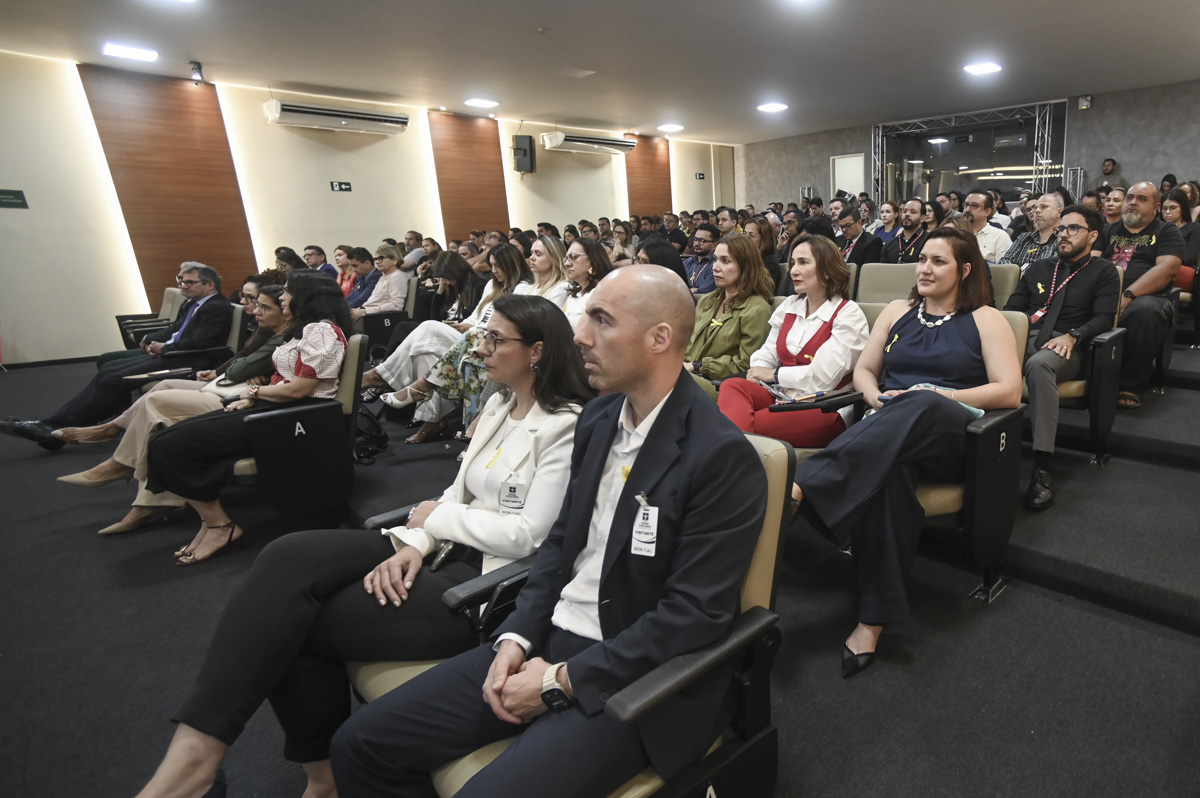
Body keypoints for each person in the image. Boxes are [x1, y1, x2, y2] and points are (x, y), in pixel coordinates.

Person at [328, 264, 768, 798]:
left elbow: (691, 616)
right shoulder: (600, 418)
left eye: (601, 320)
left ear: (659, 338)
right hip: (551, 635)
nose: (580, 335)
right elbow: (560, 545)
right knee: (359, 744)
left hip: (636, 675)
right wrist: (516, 636)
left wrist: (561, 681)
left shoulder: (719, 456)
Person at [130, 294, 592, 798]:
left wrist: (436, 520)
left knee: (291, 623)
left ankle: (302, 776)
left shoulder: (565, 425)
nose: (479, 348)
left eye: (495, 339)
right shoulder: (500, 404)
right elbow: (454, 493)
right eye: (483, 336)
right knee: (288, 555)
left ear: (537, 351)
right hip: (439, 545)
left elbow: (529, 535)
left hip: (484, 579)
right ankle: (201, 755)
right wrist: (415, 540)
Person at [793, 227, 1022, 677]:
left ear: (965, 270)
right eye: (922, 259)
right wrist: (877, 399)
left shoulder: (987, 319)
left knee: (922, 401)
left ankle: (803, 486)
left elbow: (1009, 391)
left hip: (954, 433)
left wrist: (937, 394)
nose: (924, 269)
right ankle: (872, 620)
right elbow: (865, 371)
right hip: (891, 430)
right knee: (890, 475)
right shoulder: (898, 311)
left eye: (938, 261)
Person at [144, 272, 352, 565]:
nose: (282, 297)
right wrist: (257, 394)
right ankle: (211, 522)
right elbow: (290, 381)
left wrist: (254, 391)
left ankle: (220, 526)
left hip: (295, 418)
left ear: (307, 297)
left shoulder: (320, 330)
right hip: (278, 410)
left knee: (168, 446)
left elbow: (299, 390)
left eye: (288, 291)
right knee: (166, 440)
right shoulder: (308, 328)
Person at [56, 285, 293, 533]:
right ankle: (139, 483)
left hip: (242, 396)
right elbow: (243, 359)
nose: (254, 309)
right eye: (254, 302)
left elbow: (243, 367)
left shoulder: (285, 336)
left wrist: (254, 376)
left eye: (264, 306)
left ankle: (124, 463)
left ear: (289, 311)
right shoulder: (267, 330)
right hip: (233, 386)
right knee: (161, 393)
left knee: (156, 405)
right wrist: (245, 370)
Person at [1, 263, 234, 449]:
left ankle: (56, 430)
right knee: (107, 372)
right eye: (181, 281)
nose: (183, 286)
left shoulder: (217, 306)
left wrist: (164, 348)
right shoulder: (198, 303)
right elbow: (180, 332)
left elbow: (202, 343)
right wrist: (160, 345)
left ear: (209, 284)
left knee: (113, 380)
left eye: (189, 282)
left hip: (187, 361)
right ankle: (53, 426)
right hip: (174, 354)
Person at [1003, 206, 1119, 510]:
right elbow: (1012, 309)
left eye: (1073, 229)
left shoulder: (1104, 271)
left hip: (1068, 347)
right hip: (1026, 338)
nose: (1063, 234)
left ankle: (1042, 467)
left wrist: (1074, 335)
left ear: (1092, 236)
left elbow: (1105, 317)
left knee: (1040, 364)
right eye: (1061, 229)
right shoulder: (1039, 268)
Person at [718, 234, 870, 446]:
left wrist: (773, 374)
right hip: (781, 395)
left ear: (827, 271)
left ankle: (729, 446)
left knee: (736, 427)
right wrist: (757, 370)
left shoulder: (848, 313)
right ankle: (733, 446)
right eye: (793, 263)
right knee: (733, 385)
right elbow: (767, 352)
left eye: (803, 262)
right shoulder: (790, 305)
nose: (793, 271)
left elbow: (823, 377)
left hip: (823, 406)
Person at [1094, 181, 1185, 408]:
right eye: (1130, 197)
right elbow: (1091, 262)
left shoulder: (1167, 231)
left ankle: (1130, 384)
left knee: (1145, 311)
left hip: (1149, 297)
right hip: (1104, 293)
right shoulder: (1106, 231)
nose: (1133, 202)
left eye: (1142, 199)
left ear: (1156, 208)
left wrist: (1127, 295)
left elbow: (1168, 268)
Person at [682, 234, 774, 399]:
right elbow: (689, 346)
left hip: (723, 387)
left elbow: (745, 365)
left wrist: (698, 366)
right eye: (715, 259)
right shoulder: (707, 302)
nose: (715, 267)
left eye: (725, 261)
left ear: (746, 266)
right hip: (692, 376)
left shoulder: (757, 309)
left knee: (670, 379)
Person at [350, 244, 409, 328]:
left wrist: (365, 311)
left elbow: (396, 305)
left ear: (394, 260)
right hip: (368, 314)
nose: (377, 262)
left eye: (381, 258)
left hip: (377, 318)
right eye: (376, 259)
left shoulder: (397, 276)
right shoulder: (383, 277)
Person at [563, 237, 616, 328]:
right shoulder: (574, 293)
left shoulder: (599, 293)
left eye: (573, 257)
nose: (566, 264)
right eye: (567, 258)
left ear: (592, 260)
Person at [1002, 193, 1063, 270]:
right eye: (1036, 208)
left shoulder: (1064, 239)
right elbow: (1005, 261)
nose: (1037, 211)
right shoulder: (1023, 238)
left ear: (1059, 212)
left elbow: (1052, 269)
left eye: (1044, 207)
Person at [961, 190, 1012, 263]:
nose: (967, 210)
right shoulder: (955, 232)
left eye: (974, 206)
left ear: (987, 211)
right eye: (966, 205)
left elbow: (1003, 268)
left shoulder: (1000, 236)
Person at [880, 199, 929, 264]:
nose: (907, 214)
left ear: (922, 218)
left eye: (913, 212)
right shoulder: (890, 244)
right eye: (905, 211)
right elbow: (882, 268)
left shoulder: (929, 241)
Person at [1162, 187, 1200, 269]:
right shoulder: (1158, 228)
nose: (1167, 212)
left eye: (1173, 208)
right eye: (1164, 208)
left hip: (1181, 269)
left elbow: (1190, 258)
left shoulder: (1194, 228)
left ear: (1183, 208)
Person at [743, 215, 781, 287]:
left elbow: (763, 290)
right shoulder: (744, 258)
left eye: (751, 235)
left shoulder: (770, 264)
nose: (746, 239)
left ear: (764, 239)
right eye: (744, 234)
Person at [682, 222, 719, 295]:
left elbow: (704, 291)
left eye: (702, 241)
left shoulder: (716, 265)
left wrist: (688, 291)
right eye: (695, 239)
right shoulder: (687, 262)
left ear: (714, 245)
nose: (696, 244)